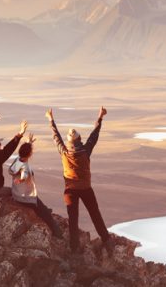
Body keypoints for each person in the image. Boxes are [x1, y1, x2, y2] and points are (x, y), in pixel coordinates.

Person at [46, 107, 113, 254]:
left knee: (73, 219)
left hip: (70, 190)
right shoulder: (85, 151)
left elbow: (56, 137)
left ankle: (74, 247)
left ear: (70, 141)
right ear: (79, 139)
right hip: (85, 189)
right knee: (95, 214)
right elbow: (94, 136)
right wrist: (100, 117)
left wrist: (51, 120)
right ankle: (106, 240)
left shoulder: (64, 152)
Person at [8, 134, 63, 238]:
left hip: (16, 193)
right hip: (25, 197)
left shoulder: (18, 160)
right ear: (29, 154)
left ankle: (44, 209)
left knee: (41, 204)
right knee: (46, 214)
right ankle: (58, 233)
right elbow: (24, 174)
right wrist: (21, 179)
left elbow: (24, 156)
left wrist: (29, 143)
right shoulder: (24, 167)